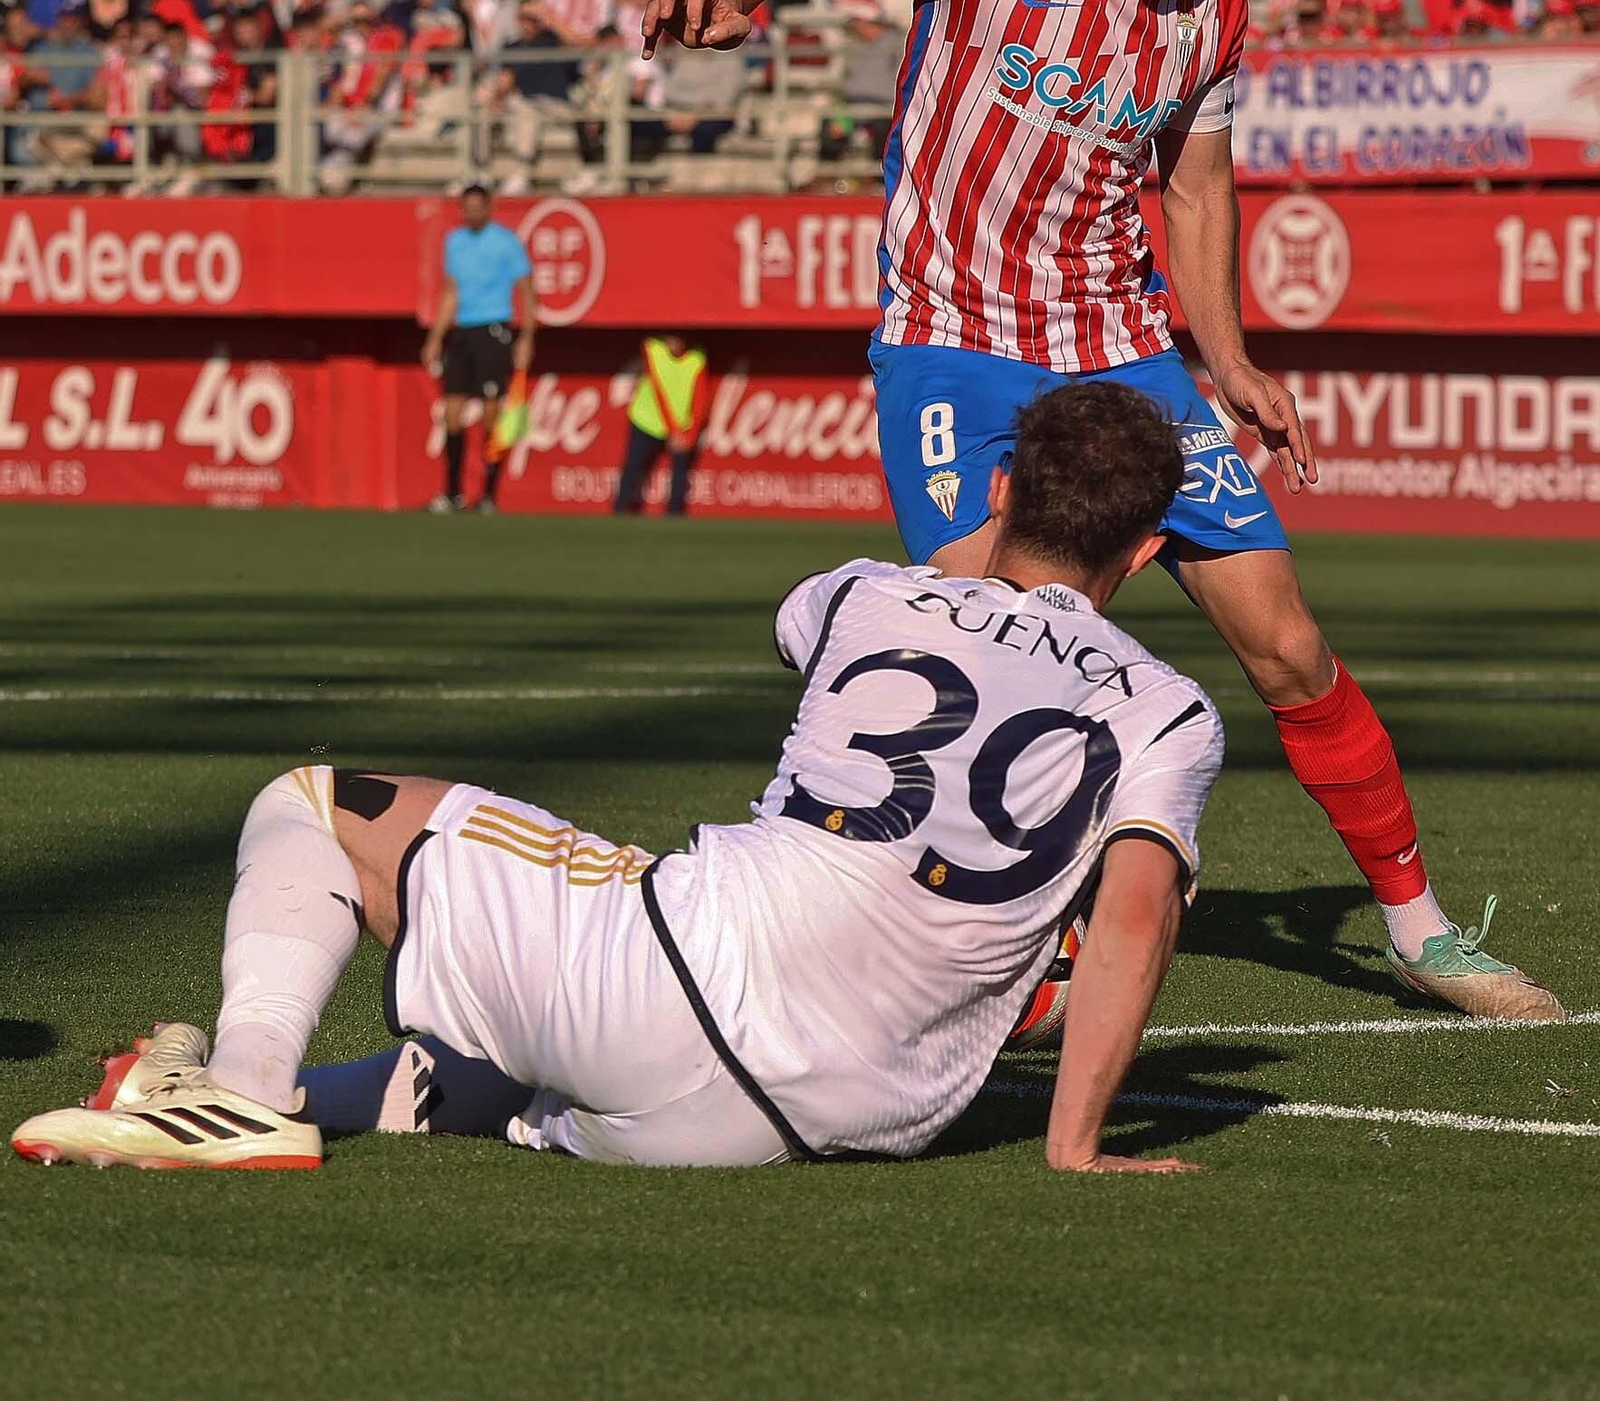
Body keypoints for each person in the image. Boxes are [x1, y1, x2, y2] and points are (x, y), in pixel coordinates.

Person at [641, 0, 1563, 1023]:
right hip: (953, 335)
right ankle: (889, 930)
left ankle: (1418, 931)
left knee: (1288, 644)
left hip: (1119, 348)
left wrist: (1226, 355)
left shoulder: (1216, 0)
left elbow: (1193, 183)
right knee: (970, 640)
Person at [12, 383, 1225, 1177]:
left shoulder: (864, 593)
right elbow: (1131, 919)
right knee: (519, 1059)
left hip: (682, 981)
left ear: (1004, 488)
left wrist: (989, 549)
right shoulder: (1169, 710)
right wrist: (1074, 1148)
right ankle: (274, 1096)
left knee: (316, 803)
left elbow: (840, 623)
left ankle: (240, 1088)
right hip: (825, 1126)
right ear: (1150, 548)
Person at [420, 184, 537, 515]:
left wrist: (527, 337)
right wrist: (436, 337)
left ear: (489, 208)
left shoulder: (506, 243)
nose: (471, 213)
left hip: (494, 329)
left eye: (476, 207)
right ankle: (453, 492)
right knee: (452, 414)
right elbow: (450, 292)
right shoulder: (454, 242)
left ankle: (487, 494)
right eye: (465, 207)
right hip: (462, 332)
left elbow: (528, 292)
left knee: (491, 414)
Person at [612, 332, 709, 516]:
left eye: (679, 338)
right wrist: (673, 431)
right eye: (671, 337)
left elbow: (700, 399)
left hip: (681, 427)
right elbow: (659, 392)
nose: (675, 342)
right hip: (646, 420)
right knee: (633, 466)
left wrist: (690, 434)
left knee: (680, 473)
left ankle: (674, 514)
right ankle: (620, 511)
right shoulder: (653, 349)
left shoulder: (697, 358)